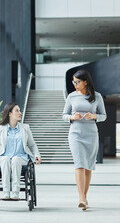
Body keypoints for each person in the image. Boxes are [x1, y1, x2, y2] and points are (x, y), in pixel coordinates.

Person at [62, 69, 107, 210]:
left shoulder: (97, 96)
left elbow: (103, 115)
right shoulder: (71, 96)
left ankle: (84, 198)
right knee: (79, 164)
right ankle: (81, 197)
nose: (75, 84)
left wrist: (94, 116)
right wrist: (71, 117)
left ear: (85, 82)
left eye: (77, 82)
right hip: (75, 134)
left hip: (91, 134)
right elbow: (64, 114)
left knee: (88, 168)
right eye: (73, 82)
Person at [0, 102, 41, 200]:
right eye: (17, 111)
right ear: (10, 113)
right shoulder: (0, 128)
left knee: (15, 159)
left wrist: (37, 155)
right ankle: (6, 192)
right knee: (6, 159)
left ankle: (15, 192)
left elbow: (32, 144)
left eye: (19, 110)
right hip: (3, 157)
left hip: (21, 157)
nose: (20, 113)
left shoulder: (25, 128)